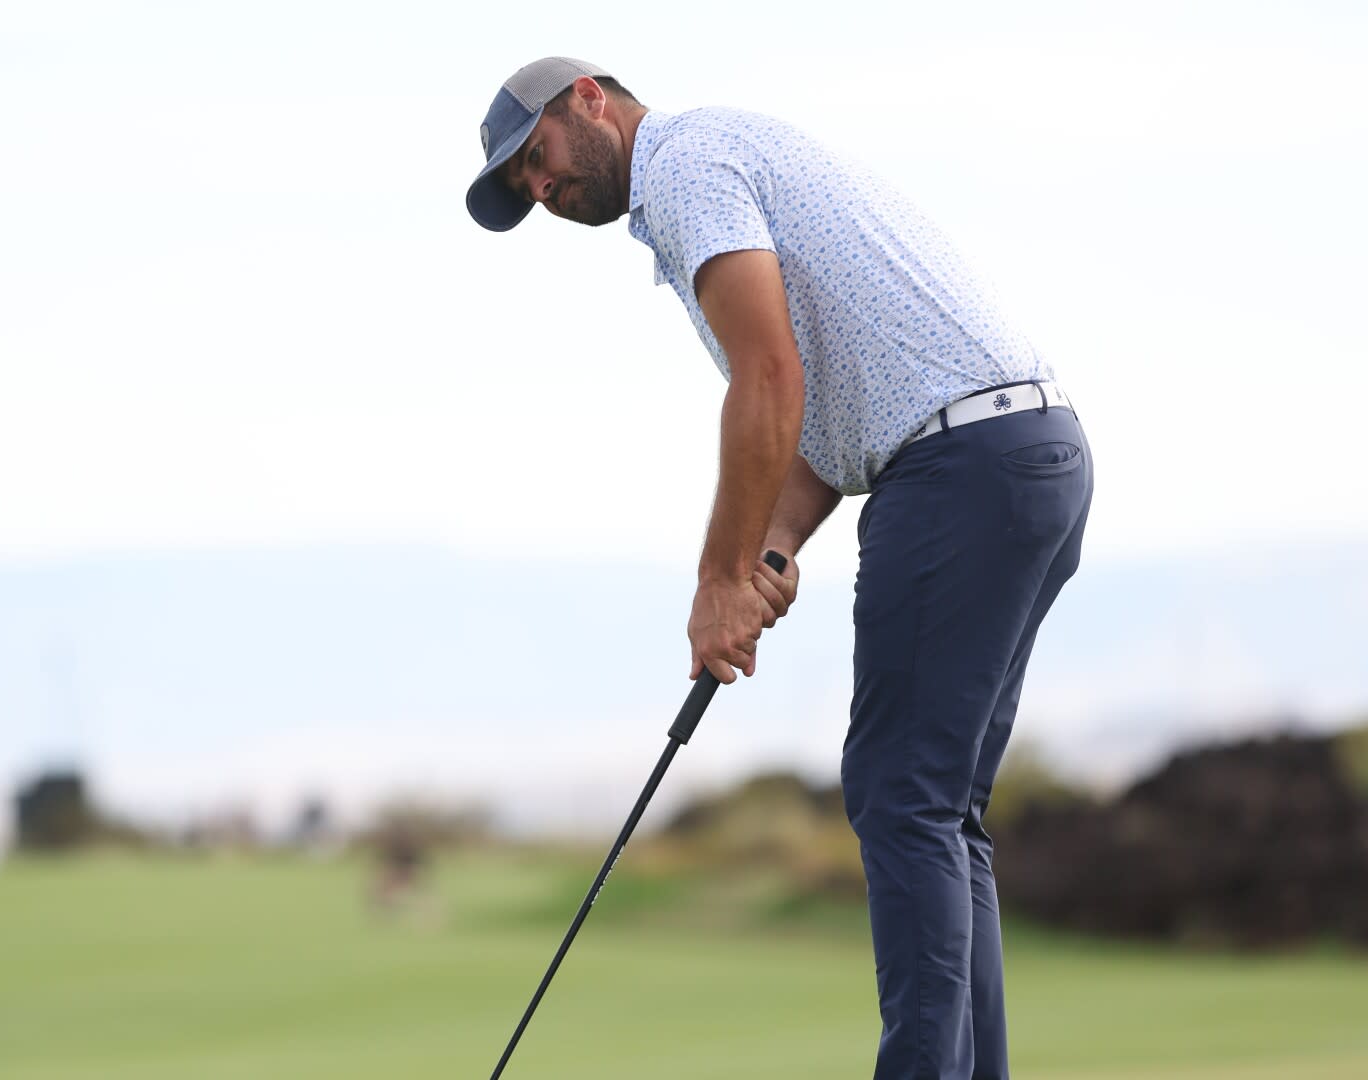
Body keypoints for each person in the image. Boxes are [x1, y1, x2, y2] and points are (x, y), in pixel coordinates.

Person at [463, 57, 1093, 1080]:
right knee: (937, 808)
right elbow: (819, 437)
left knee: (901, 797)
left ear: (590, 97)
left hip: (959, 469)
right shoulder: (710, 166)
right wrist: (766, 552)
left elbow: (769, 378)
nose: (542, 190)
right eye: (525, 189)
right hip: (1026, 457)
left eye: (536, 161)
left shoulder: (685, 166)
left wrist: (718, 581)